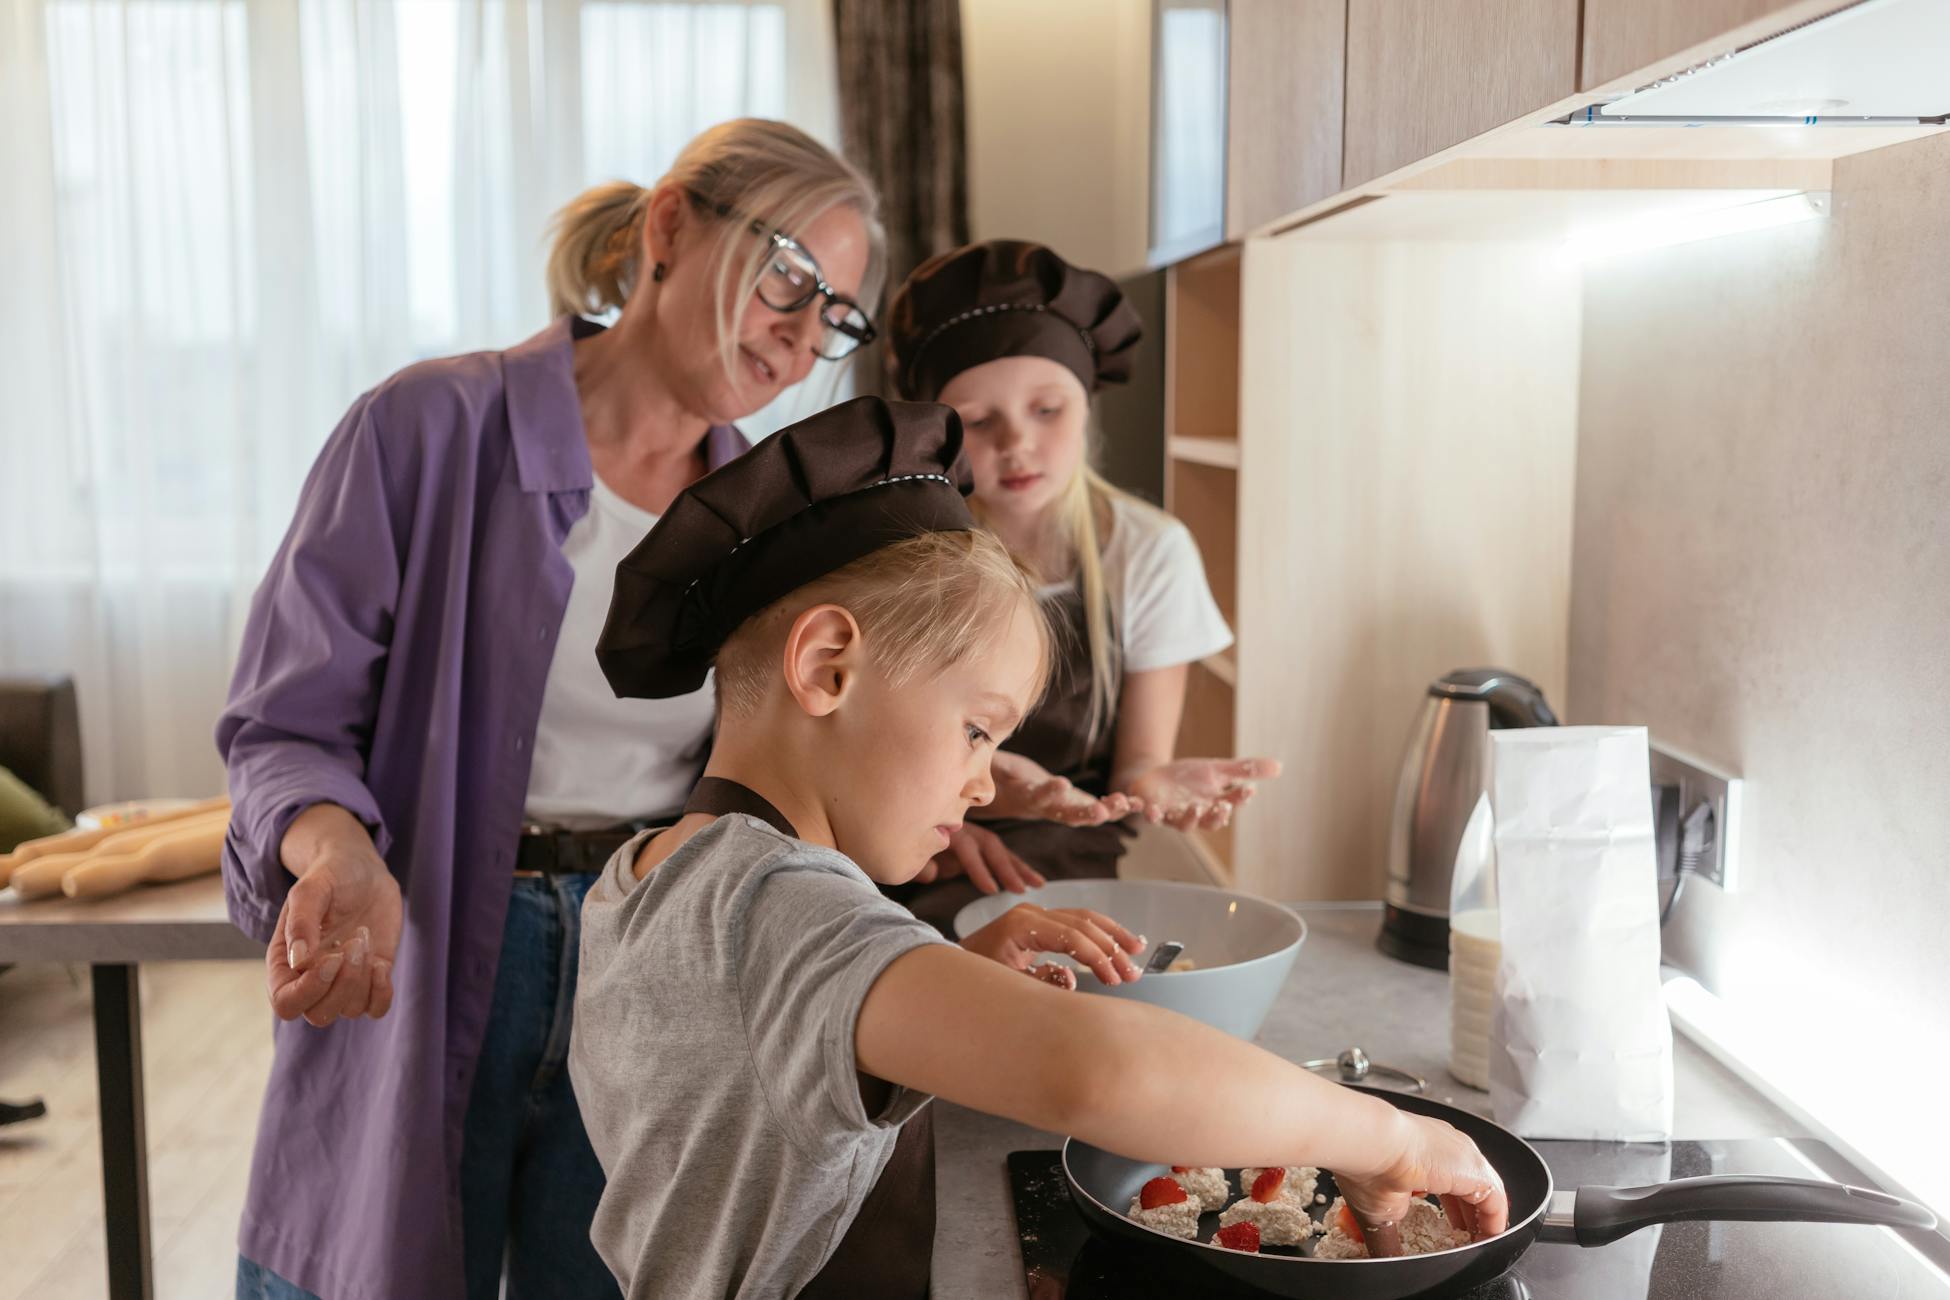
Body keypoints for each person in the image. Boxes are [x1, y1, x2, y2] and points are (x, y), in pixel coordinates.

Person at [570, 395, 1509, 1298]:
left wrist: (944, 973)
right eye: (978, 730)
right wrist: (1385, 1139)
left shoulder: (650, 875)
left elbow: (759, 1091)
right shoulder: (783, 906)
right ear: (828, 668)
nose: (984, 783)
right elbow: (1105, 1070)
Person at [216, 119, 886, 1300]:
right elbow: (285, 721)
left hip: (657, 948)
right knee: (392, 1263)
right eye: (790, 273)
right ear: (670, 227)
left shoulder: (766, 522)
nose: (799, 332)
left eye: (835, 313)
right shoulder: (426, 428)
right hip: (431, 937)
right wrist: (336, 853)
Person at [885, 240, 1280, 928]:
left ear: (1088, 406)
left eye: (1047, 410)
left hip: (1061, 859)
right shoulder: (902, 555)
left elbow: (1137, 768)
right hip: (905, 843)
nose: (1017, 443)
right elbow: (870, 756)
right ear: (940, 431)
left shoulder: (1151, 555)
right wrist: (932, 834)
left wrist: (1154, 783)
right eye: (980, 421)